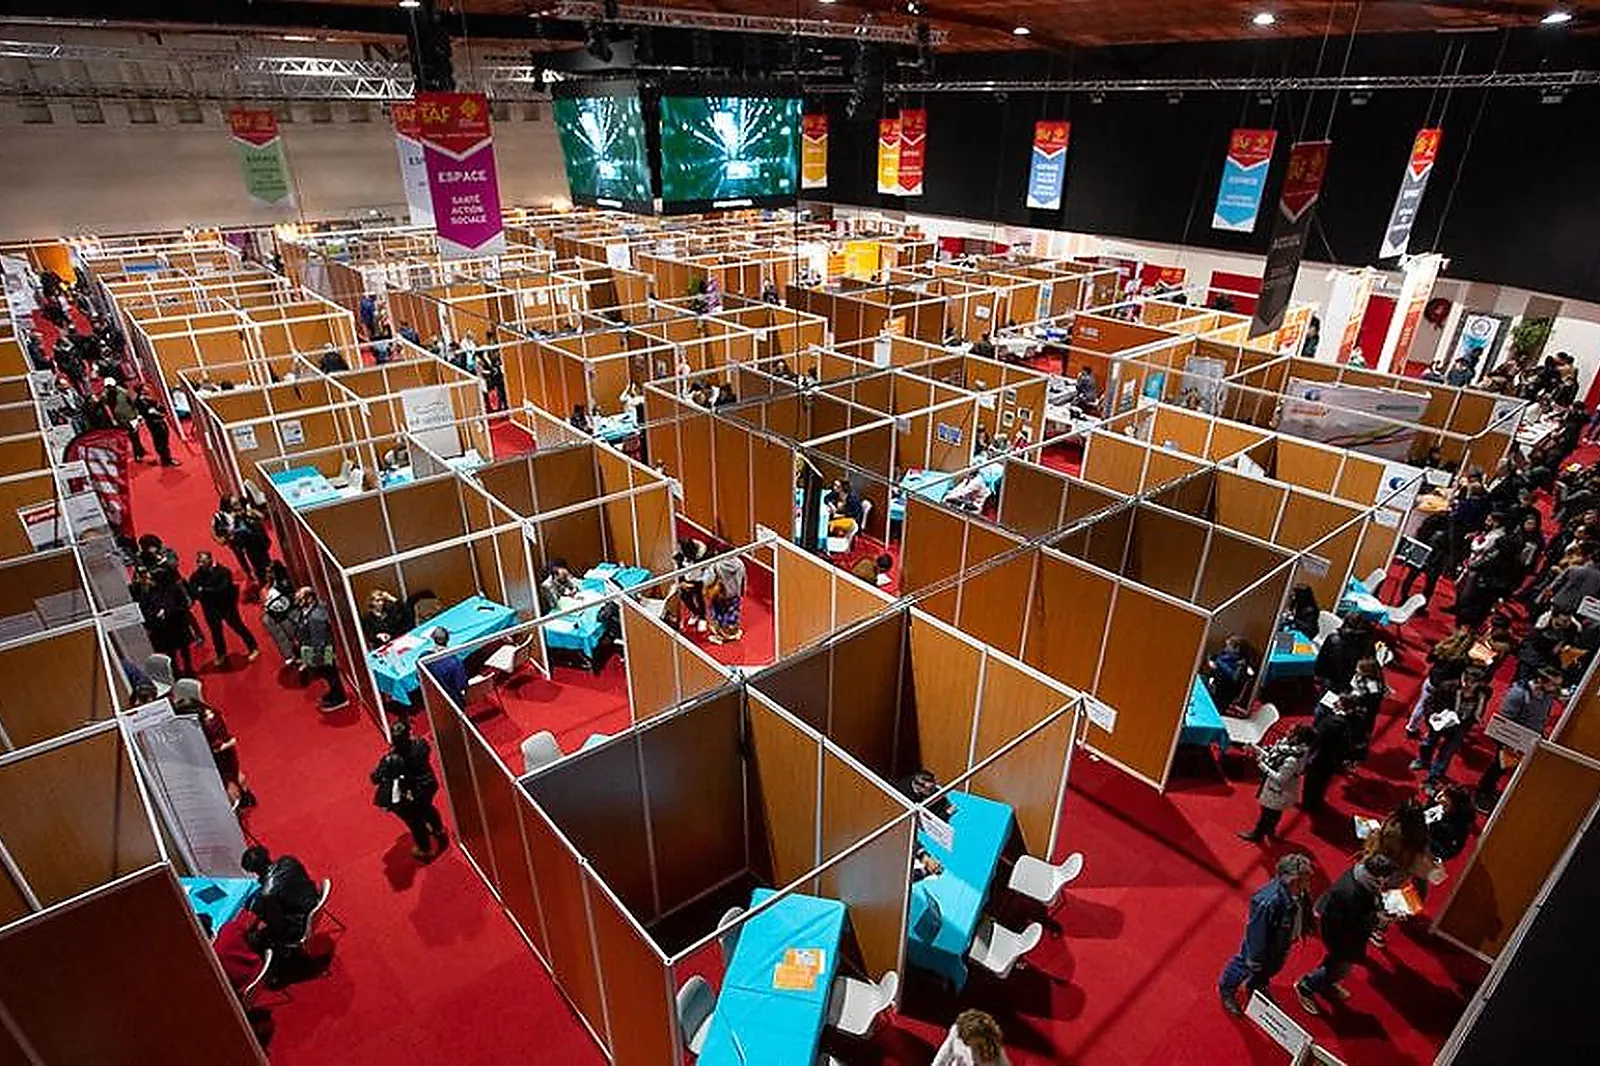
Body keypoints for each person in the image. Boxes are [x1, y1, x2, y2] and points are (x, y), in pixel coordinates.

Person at [1294, 853, 1395, 1014]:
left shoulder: (1363, 877)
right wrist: (1377, 919)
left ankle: (1324, 982)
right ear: (1379, 875)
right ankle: (1306, 986)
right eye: (1386, 878)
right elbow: (1346, 923)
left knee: (1335, 963)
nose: (1387, 882)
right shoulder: (1350, 893)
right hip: (1341, 936)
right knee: (1341, 968)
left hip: (1347, 934)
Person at [1219, 853, 1315, 1015]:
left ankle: (1257, 984)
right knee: (1244, 965)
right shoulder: (1268, 902)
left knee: (1271, 967)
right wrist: (1255, 958)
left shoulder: (1298, 891)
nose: (1310, 880)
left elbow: (1301, 909)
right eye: (1306, 877)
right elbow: (1256, 933)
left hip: (1280, 943)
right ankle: (1227, 989)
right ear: (1293, 880)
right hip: (1264, 947)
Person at [1475, 668, 1562, 807]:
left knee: (1511, 769)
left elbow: (1542, 717)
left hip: (1530, 739)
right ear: (1540, 681)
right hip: (1511, 739)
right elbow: (1505, 719)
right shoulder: (1518, 694)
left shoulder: (1548, 695)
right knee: (1498, 767)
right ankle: (1482, 792)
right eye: (1554, 684)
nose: (1556, 689)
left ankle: (1488, 789)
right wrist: (1508, 742)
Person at [371, 716, 448, 859]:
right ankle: (438, 829)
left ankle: (425, 849)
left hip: (409, 795)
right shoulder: (422, 744)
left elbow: (375, 778)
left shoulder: (392, 759)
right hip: (428, 785)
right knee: (428, 808)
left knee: (415, 822)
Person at [1412, 666, 1491, 787]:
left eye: (1472, 683)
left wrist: (1475, 718)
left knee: (1446, 753)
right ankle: (1423, 761)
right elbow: (1429, 702)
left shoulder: (1484, 692)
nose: (1467, 685)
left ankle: (1433, 779)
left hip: (1461, 726)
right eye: (1465, 681)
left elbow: (1481, 706)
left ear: (1479, 683)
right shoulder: (1448, 687)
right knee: (1428, 743)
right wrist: (1433, 715)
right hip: (1441, 722)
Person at [177, 691, 256, 809]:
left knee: (230, 779)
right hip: (221, 754)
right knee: (233, 778)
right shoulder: (207, 714)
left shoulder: (210, 723)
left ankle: (242, 799)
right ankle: (244, 797)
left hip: (222, 756)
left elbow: (219, 745)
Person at [1240, 726, 1314, 843]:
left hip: (1280, 790)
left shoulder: (1292, 759)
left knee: (1269, 813)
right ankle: (1269, 831)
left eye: (1291, 732)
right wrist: (1256, 749)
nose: (1286, 732)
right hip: (1274, 789)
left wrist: (1262, 765)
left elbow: (1281, 778)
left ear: (1297, 738)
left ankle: (1258, 834)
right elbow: (1271, 757)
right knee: (1272, 812)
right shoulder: (1287, 748)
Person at [241, 845, 322, 951]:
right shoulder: (288, 860)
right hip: (313, 899)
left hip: (301, 923)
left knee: (254, 939)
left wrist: (261, 916)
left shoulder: (267, 894)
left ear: (254, 871)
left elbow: (278, 927)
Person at [187, 551, 260, 666]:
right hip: (210, 608)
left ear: (210, 560)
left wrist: (204, 590)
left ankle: (253, 647)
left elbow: (222, 589)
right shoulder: (196, 576)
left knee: (238, 627)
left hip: (227, 606)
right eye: (198, 561)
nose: (200, 564)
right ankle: (221, 654)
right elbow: (193, 591)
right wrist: (206, 591)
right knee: (216, 632)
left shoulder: (223, 572)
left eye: (203, 561)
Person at [295, 587, 349, 711]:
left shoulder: (316, 617)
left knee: (331, 674)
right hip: (320, 649)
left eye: (300, 598)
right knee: (329, 674)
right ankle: (335, 693)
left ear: (310, 598)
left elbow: (318, 641)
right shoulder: (310, 610)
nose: (297, 601)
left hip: (323, 652)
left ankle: (340, 698)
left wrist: (311, 659)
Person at [141, 563, 198, 677]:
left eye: (151, 578)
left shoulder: (174, 589)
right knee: (170, 652)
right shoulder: (148, 592)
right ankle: (175, 670)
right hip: (163, 628)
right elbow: (145, 608)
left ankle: (188, 668)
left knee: (184, 650)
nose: (148, 580)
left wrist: (168, 612)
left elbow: (183, 605)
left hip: (178, 624)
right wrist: (155, 614)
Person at [932, 1008, 1010, 1066]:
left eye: (976, 1045)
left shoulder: (995, 1047)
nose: (967, 1043)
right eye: (966, 1042)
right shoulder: (956, 1032)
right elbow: (940, 1060)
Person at [260, 561, 301, 666]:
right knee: (269, 622)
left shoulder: (285, 582)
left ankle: (310, 658)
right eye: (267, 572)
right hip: (278, 613)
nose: (268, 575)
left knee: (292, 632)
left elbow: (290, 599)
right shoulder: (270, 585)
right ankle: (290, 655)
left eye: (270, 572)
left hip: (290, 611)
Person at [1202, 635, 1254, 711]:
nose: (1225, 648)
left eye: (1228, 646)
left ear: (1237, 649)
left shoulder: (1240, 664)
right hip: (1215, 682)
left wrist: (1218, 664)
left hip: (1224, 692)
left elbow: (1233, 677)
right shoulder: (1224, 655)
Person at [100, 378, 147, 461]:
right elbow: (106, 407)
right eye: (108, 387)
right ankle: (140, 451)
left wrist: (138, 415)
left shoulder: (124, 392)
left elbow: (133, 403)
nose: (110, 389)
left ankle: (138, 453)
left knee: (134, 436)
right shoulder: (105, 395)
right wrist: (112, 419)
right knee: (130, 436)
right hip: (120, 419)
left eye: (111, 387)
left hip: (131, 417)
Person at [132, 384, 178, 466]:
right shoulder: (142, 400)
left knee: (163, 440)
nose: (148, 388)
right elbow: (151, 411)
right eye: (145, 387)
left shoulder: (146, 398)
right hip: (155, 422)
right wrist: (161, 414)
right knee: (161, 441)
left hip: (156, 421)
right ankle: (166, 460)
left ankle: (167, 458)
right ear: (142, 390)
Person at [705, 555, 746, 644]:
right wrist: (742, 591)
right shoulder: (739, 563)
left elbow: (708, 580)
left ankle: (721, 636)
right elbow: (743, 578)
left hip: (721, 595)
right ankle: (732, 633)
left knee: (719, 614)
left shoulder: (716, 565)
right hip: (735, 593)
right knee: (732, 614)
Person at [423, 627, 468, 705]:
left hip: (433, 699)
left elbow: (420, 677)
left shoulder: (424, 657)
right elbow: (461, 685)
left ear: (433, 639)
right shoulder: (455, 663)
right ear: (448, 639)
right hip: (451, 701)